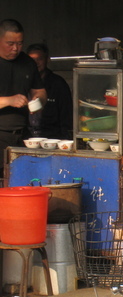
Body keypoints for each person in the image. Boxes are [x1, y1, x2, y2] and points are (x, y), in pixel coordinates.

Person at [0, 19, 46, 183]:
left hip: (21, 135)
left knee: (21, 184)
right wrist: (8, 100)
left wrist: (38, 101)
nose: (15, 48)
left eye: (19, 43)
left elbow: (40, 92)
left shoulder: (27, 62)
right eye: (10, 43)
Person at [27, 43, 72, 139]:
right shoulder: (22, 81)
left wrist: (65, 140)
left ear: (47, 60)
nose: (36, 63)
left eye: (40, 59)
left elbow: (66, 115)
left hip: (52, 138)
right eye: (32, 60)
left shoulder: (58, 84)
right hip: (26, 138)